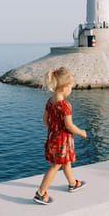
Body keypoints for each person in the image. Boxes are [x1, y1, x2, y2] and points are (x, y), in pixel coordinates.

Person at [33, 67, 87, 205]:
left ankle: (73, 183)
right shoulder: (65, 105)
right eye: (71, 87)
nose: (71, 90)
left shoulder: (50, 102)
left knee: (66, 161)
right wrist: (81, 132)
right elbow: (69, 126)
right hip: (63, 140)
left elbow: (45, 119)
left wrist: (53, 130)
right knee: (56, 165)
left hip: (53, 136)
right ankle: (40, 193)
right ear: (64, 87)